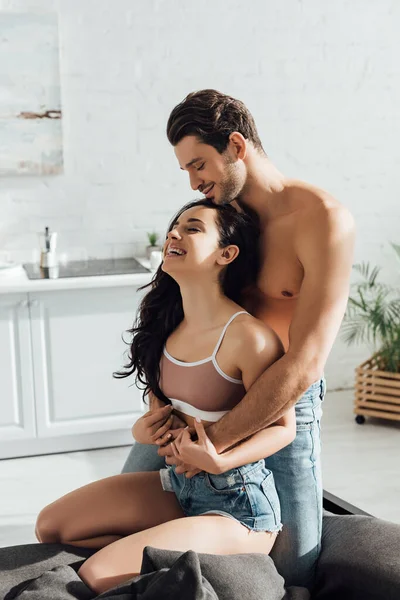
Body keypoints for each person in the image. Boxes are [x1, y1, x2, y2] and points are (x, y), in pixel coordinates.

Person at [121, 89, 356, 589]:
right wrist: (166, 405)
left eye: (199, 164)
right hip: (203, 391)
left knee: (294, 567)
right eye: (186, 170)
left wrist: (213, 446)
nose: (193, 181)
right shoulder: (223, 215)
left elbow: (307, 360)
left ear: (236, 145)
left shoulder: (322, 219)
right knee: (124, 509)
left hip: (280, 399)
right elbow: (178, 309)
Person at [35, 199, 296, 595]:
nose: (173, 233)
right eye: (174, 226)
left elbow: (284, 429)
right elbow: (161, 412)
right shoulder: (167, 326)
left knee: (95, 573)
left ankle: (158, 561)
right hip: (178, 487)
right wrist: (144, 429)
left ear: (226, 254)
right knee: (50, 525)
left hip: (238, 507)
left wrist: (219, 457)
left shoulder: (250, 337)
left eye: (192, 228)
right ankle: (160, 551)